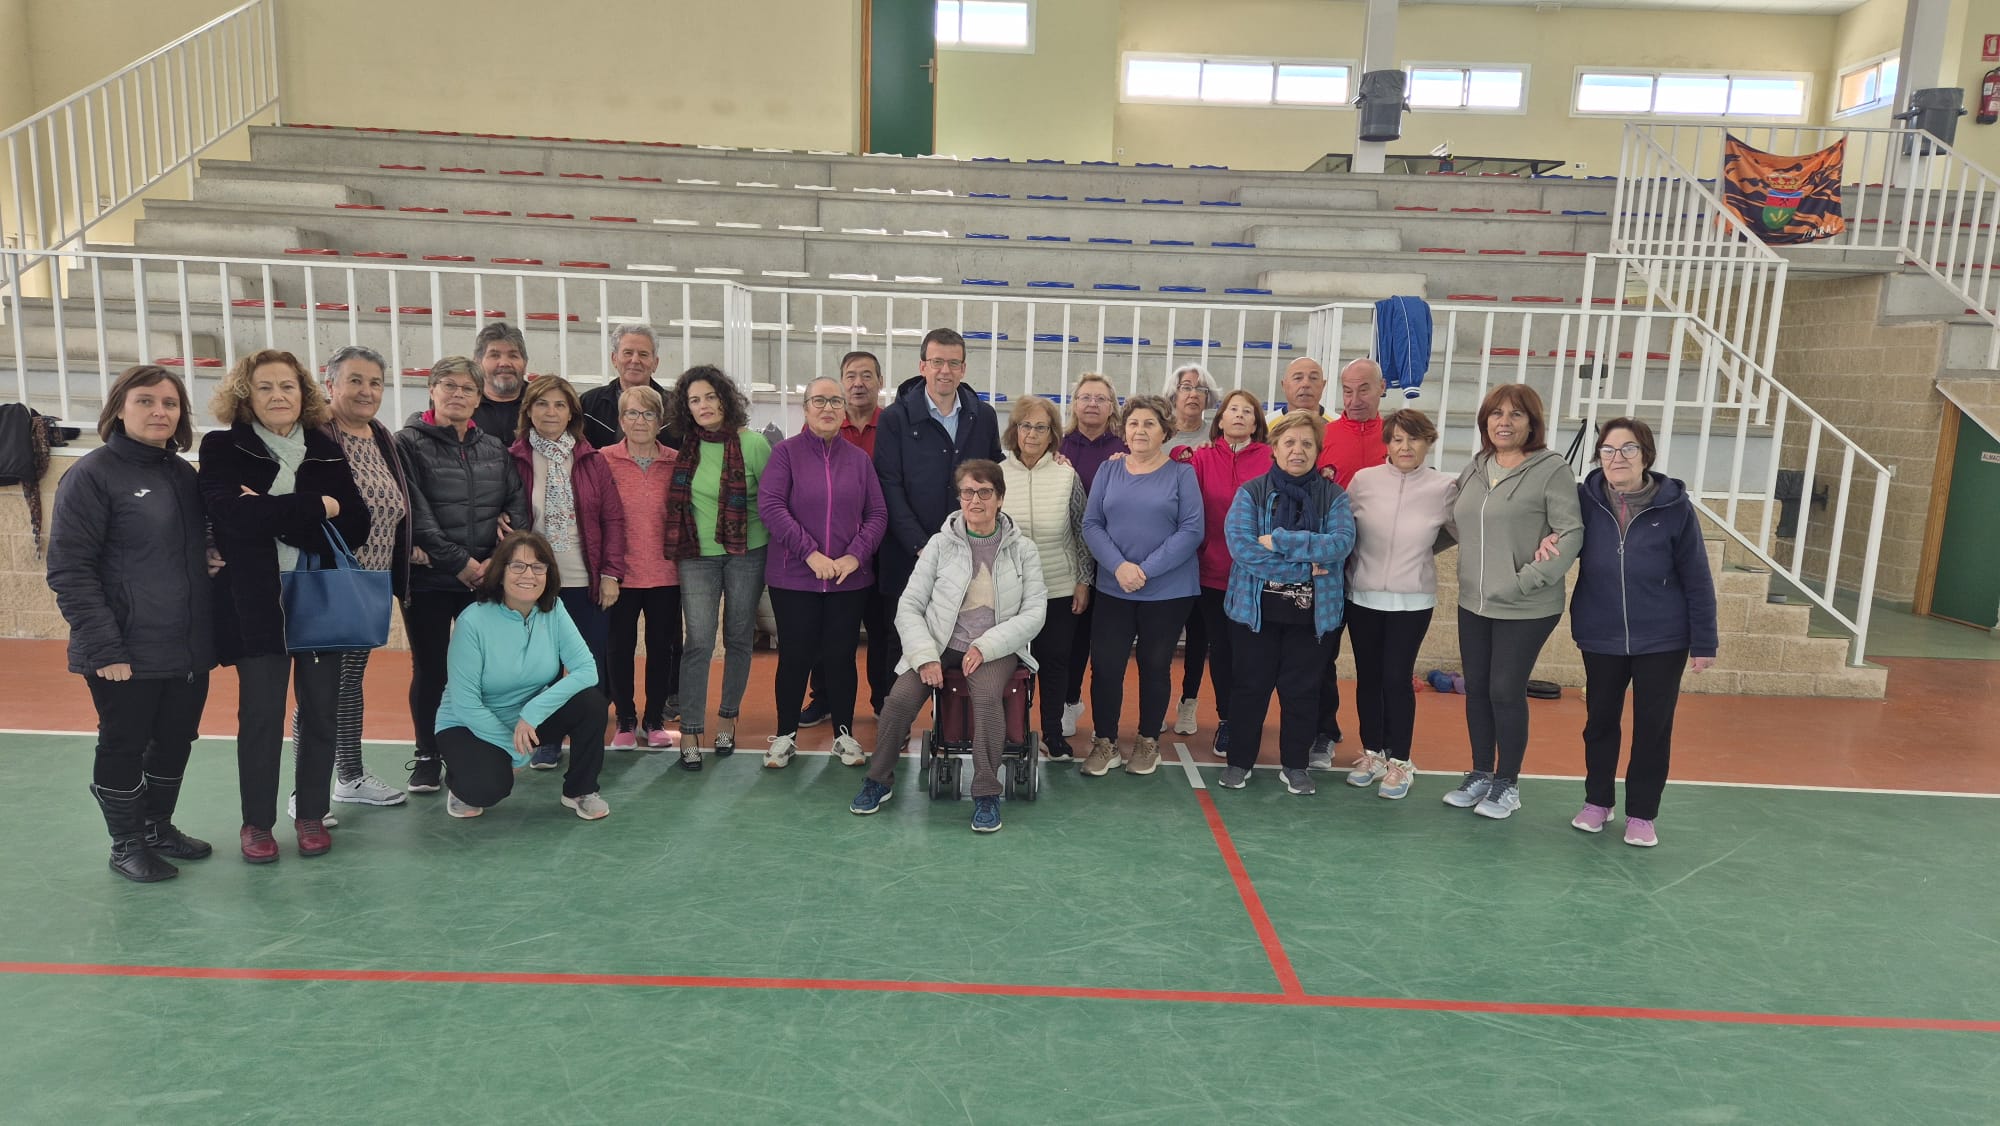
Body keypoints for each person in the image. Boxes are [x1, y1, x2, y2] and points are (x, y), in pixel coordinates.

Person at [47, 365, 216, 882]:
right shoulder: (92, 474)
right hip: (124, 650)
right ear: (120, 408)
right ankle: (126, 844)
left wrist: (210, 552)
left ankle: (155, 828)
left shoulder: (184, 474)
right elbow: (69, 569)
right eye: (146, 401)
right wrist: (105, 648)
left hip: (185, 645)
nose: (160, 411)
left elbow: (181, 548)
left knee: (175, 739)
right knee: (123, 744)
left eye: (170, 403)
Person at [198, 350, 369, 863]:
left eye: (288, 386)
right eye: (266, 386)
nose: (278, 395)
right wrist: (318, 507)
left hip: (318, 598)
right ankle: (257, 824)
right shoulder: (224, 447)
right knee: (261, 716)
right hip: (256, 603)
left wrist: (270, 510)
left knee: (320, 713)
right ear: (246, 394)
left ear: (304, 394)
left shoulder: (326, 447)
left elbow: (356, 525)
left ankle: (312, 814)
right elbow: (231, 516)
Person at [848, 460, 1046, 833]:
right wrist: (924, 657)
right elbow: (909, 606)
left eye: (985, 492)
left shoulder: (1024, 550)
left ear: (1000, 498)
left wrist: (987, 646)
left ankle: (986, 792)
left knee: (987, 695)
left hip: (996, 647)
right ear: (959, 497)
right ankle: (878, 779)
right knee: (900, 698)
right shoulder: (940, 545)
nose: (976, 500)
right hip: (940, 642)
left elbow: (1035, 612)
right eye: (968, 492)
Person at [1567, 417, 1718, 848]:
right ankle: (1598, 802)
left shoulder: (1674, 508)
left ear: (1645, 455)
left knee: (1653, 728)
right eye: (1609, 450)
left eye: (1628, 449)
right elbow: (1556, 534)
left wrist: (1704, 640)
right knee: (1600, 723)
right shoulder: (1584, 501)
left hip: (1663, 640)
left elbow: (1697, 577)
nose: (1617, 458)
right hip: (1600, 634)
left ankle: (1642, 814)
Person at [1441, 383, 1583, 820]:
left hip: (1527, 605)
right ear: (1485, 421)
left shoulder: (1551, 469)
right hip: (1474, 602)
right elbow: (1452, 524)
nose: (1504, 422)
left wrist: (1528, 580)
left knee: (1504, 689)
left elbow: (1571, 531)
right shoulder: (1477, 466)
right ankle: (1481, 772)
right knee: (1477, 690)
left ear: (1532, 423)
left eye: (1516, 414)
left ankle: (1507, 783)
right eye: (1496, 413)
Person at [396, 356, 530, 795]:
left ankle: (478, 748)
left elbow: (518, 507)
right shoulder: (406, 444)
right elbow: (416, 512)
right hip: (432, 579)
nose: (458, 395)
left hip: (486, 579)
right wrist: (460, 562)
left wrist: (497, 560)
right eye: (448, 386)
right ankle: (426, 756)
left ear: (479, 397)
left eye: (467, 389)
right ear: (432, 390)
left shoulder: (494, 448)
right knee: (432, 669)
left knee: (484, 672)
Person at [297, 346, 414, 819]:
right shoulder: (314, 436)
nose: (366, 391)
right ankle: (307, 791)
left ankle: (349, 776)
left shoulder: (382, 436)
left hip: (371, 583)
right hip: (327, 581)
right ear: (331, 385)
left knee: (349, 681)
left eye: (375, 383)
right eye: (356, 380)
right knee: (318, 687)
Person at [1216, 411, 1356, 795]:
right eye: (1290, 443)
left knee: (1302, 692)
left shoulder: (1334, 496)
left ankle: (1295, 764)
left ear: (1317, 450)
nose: (1298, 451)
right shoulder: (1252, 492)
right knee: (1249, 689)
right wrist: (1309, 569)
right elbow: (1243, 549)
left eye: (1307, 444)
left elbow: (1341, 544)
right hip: (1254, 614)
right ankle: (1239, 762)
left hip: (1313, 617)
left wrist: (1278, 540)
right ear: (1274, 448)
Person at [434, 531, 611, 821]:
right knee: (486, 789)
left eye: (538, 566)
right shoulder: (473, 621)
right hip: (467, 723)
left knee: (591, 702)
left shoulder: (554, 610)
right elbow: (466, 705)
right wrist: (514, 750)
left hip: (525, 720)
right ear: (500, 572)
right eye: (518, 566)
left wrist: (532, 711)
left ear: (548, 574)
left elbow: (587, 670)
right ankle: (459, 782)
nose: (528, 574)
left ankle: (581, 790)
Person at [758, 376, 887, 768]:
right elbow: (772, 507)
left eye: (835, 401)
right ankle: (784, 737)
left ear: (844, 409)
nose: (828, 408)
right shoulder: (785, 454)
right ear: (806, 408)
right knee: (795, 656)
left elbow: (876, 514)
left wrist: (854, 557)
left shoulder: (860, 461)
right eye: (819, 401)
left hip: (849, 580)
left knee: (841, 656)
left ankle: (844, 736)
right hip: (794, 578)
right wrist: (811, 554)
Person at [1080, 394, 1203, 778]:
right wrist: (1119, 567)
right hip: (1115, 587)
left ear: (1165, 430)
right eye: (1134, 423)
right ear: (1124, 429)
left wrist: (1144, 571)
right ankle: (1105, 742)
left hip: (1167, 591)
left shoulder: (1182, 474)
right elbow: (1091, 525)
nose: (1140, 430)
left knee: (1154, 664)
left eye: (1149, 423)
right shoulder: (1108, 471)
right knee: (1106, 664)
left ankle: (1148, 741)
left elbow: (1192, 530)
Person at [508, 374, 626, 769]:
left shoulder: (592, 460)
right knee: (539, 667)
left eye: (560, 405)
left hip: (583, 579)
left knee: (585, 665)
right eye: (542, 404)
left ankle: (585, 741)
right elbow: (500, 507)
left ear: (572, 412)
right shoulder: (515, 457)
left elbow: (612, 519)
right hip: (533, 583)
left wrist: (610, 573)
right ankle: (547, 737)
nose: (551, 412)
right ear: (529, 411)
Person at [874, 327, 1003, 687]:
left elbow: (996, 473)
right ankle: (890, 716)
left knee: (959, 639)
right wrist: (920, 543)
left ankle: (951, 725)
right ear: (922, 366)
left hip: (967, 552)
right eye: (936, 362)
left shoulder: (984, 415)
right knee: (899, 635)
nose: (944, 370)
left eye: (953, 363)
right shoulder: (894, 419)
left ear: (963, 368)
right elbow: (889, 485)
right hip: (907, 551)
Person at [1342, 408, 1457, 801]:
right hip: (1362, 596)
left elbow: (1459, 531)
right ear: (1386, 444)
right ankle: (1373, 754)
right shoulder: (1363, 481)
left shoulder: (1445, 487)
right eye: (1396, 439)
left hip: (1413, 600)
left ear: (1428, 442)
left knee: (1396, 678)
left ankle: (1401, 762)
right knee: (1369, 678)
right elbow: (1344, 528)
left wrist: (1422, 551)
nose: (1404, 446)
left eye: (1413, 438)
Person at [664, 364, 771, 769]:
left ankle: (728, 717)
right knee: (700, 642)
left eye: (710, 396)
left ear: (725, 399)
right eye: (695, 400)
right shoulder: (685, 448)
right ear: (686, 408)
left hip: (748, 552)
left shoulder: (755, 444)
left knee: (740, 637)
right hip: (697, 557)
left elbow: (773, 500)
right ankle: (690, 729)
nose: (704, 405)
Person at [1174, 389, 1271, 760]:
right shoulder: (1200, 458)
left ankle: (1247, 719)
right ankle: (1228, 721)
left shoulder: (1269, 458)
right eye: (1233, 409)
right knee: (1223, 650)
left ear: (1256, 422)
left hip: (1255, 576)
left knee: (1252, 653)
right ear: (1221, 419)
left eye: (1248, 411)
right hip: (1210, 574)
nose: (1240, 416)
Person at [998, 395, 1091, 760]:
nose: (1032, 434)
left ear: (1052, 433)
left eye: (1041, 427)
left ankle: (1053, 733)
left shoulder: (1067, 475)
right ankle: (1013, 733)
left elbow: (1082, 532)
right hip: (1010, 591)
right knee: (1012, 665)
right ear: (1014, 431)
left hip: (1059, 586)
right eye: (1025, 426)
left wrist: (1083, 580)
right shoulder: (998, 474)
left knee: (1055, 662)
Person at [1310, 358, 1391, 768]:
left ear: (1382, 389)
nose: (1355, 399)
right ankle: (1323, 732)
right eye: (1347, 390)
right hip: (1329, 569)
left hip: (1381, 571)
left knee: (1375, 664)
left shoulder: (1398, 436)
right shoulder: (1324, 436)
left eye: (1364, 389)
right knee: (1322, 654)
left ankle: (1379, 748)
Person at [801, 349, 888, 725]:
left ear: (880, 383)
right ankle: (825, 698)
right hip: (832, 552)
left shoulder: (893, 425)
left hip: (880, 545)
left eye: (867, 375)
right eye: (851, 375)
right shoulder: (823, 424)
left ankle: (884, 701)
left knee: (883, 629)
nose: (858, 383)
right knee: (828, 633)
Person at [601, 384, 683, 750]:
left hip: (666, 574)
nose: (640, 421)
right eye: (632, 413)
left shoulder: (676, 462)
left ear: (660, 421)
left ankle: (653, 720)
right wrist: (606, 572)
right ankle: (625, 720)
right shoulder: (602, 459)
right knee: (619, 648)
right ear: (621, 420)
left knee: (662, 649)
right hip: (619, 576)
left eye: (648, 413)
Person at [1056, 372, 1126, 738]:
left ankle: (1106, 720)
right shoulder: (1059, 446)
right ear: (1074, 404)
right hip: (1070, 560)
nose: (1093, 404)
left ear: (1112, 405)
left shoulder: (1125, 448)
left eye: (1101, 398)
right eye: (1085, 397)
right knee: (1072, 639)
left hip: (1114, 560)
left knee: (1106, 644)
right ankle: (1070, 701)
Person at [1164, 362, 1221, 736]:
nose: (1192, 393)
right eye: (1185, 386)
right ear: (1174, 394)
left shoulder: (1215, 439)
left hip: (1206, 552)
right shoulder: (1160, 435)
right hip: (1166, 552)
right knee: (1163, 636)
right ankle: (1159, 705)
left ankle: (1189, 703)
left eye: (1199, 389)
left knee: (1200, 637)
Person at [580, 323, 677, 452]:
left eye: (643, 354)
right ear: (614, 359)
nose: (635, 360)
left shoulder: (675, 408)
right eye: (628, 353)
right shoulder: (589, 404)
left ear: (655, 363)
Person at [470, 322, 528, 443]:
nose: (504, 363)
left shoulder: (540, 400)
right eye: (494, 355)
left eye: (513, 356)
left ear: (525, 363)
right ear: (477, 363)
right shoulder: (464, 402)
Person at [1165, 362, 1220, 453]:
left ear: (1208, 397)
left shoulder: (1216, 435)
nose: (1194, 394)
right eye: (1186, 388)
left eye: (1200, 389)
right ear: (1174, 394)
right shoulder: (1158, 434)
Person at [1269, 355, 1331, 425]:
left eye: (1313, 378)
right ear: (1284, 385)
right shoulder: (1265, 426)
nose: (1306, 384)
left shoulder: (1338, 425)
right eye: (1298, 378)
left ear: (1323, 385)